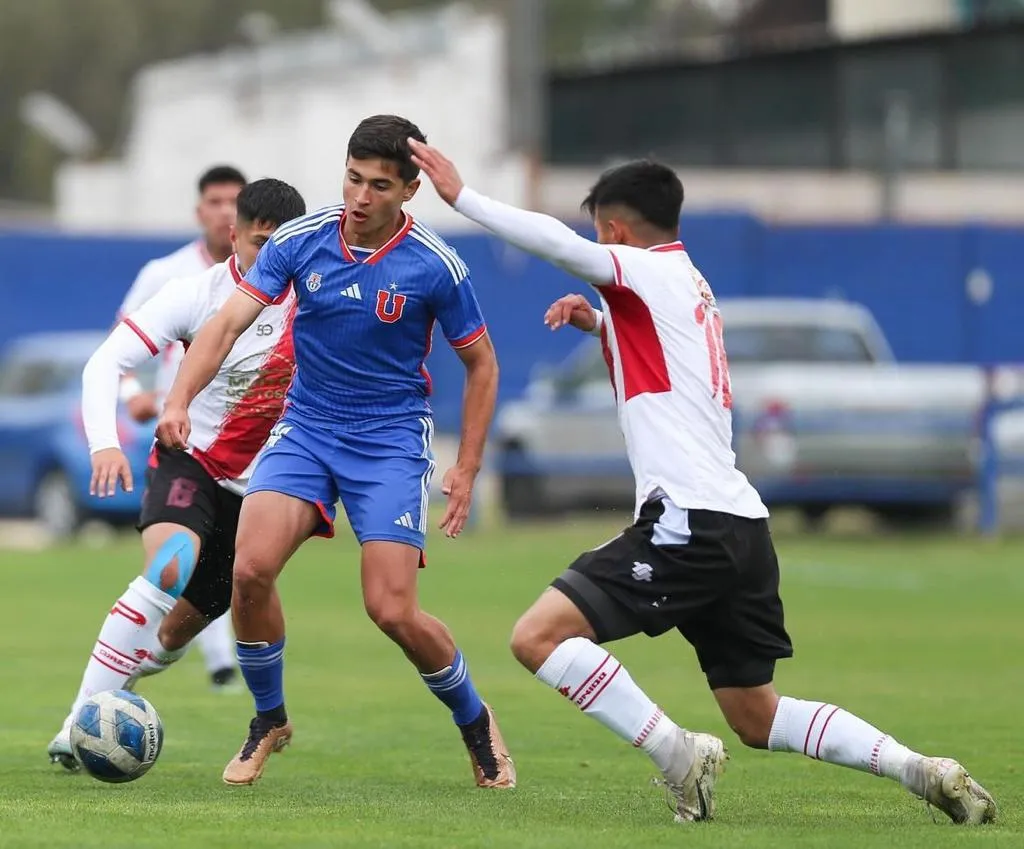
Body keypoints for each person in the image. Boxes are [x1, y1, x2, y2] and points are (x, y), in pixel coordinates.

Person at [408, 139, 998, 826]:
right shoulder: (690, 284)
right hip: (740, 524)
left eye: (599, 230)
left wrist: (463, 199)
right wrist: (600, 322)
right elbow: (662, 366)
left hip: (687, 520)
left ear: (616, 230)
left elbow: (553, 244)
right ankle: (918, 767)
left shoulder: (640, 270)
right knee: (756, 711)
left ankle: (679, 755)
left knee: (536, 636)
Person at [156, 115, 514, 789]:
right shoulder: (300, 239)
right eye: (353, 177)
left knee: (391, 609)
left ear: (409, 190)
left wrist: (466, 467)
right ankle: (269, 720)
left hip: (388, 440)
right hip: (308, 427)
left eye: (380, 185)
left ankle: (474, 721)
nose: (359, 196)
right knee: (250, 570)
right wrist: (178, 400)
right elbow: (226, 324)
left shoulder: (435, 265)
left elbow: (484, 365)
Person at [47, 179, 306, 771]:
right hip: (189, 460)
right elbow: (105, 363)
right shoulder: (195, 293)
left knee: (173, 636)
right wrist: (104, 444)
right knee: (169, 568)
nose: (268, 259)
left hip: (265, 490)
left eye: (280, 247)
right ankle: (76, 722)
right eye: (256, 243)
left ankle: (113, 702)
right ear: (231, 235)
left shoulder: (317, 304)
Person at [116, 164, 249, 692]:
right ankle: (216, 661)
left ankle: (255, 693)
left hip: (248, 454)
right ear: (200, 211)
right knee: (174, 564)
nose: (225, 212)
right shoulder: (165, 274)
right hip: (183, 442)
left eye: (235, 202)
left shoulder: (276, 279)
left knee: (232, 574)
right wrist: (135, 400)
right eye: (215, 202)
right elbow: (120, 349)